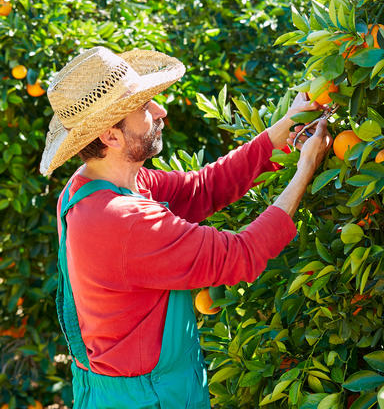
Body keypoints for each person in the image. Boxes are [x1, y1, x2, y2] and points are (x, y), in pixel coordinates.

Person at [40, 47, 332, 408]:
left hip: (133, 388)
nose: (161, 111)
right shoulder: (123, 219)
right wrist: (304, 171)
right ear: (110, 137)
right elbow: (240, 255)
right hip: (149, 398)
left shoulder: (95, 184)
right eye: (144, 107)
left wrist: (279, 134)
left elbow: (201, 189)